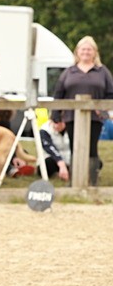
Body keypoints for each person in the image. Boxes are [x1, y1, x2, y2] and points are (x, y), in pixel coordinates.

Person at [50, 35, 113, 185]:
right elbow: (58, 94)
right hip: (71, 117)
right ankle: (75, 182)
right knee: (75, 148)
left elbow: (110, 94)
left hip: (95, 118)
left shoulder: (102, 72)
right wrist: (56, 117)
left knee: (92, 149)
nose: (86, 52)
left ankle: (91, 181)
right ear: (77, 52)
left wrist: (103, 111)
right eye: (83, 49)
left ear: (94, 52)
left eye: (89, 49)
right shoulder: (69, 72)